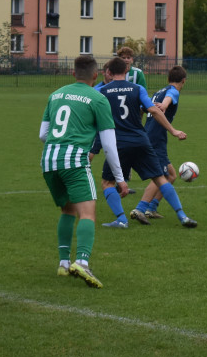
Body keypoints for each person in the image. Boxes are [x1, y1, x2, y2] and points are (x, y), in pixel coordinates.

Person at [40, 55, 129, 288]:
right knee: (88, 213)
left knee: (68, 209)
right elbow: (109, 144)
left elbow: (43, 134)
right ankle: (82, 261)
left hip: (49, 160)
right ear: (96, 75)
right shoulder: (97, 99)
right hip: (74, 160)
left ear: (73, 74)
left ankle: (63, 263)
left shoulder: (55, 94)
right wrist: (120, 179)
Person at [93, 58, 194, 229]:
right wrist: (173, 131)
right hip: (141, 140)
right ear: (127, 70)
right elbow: (154, 110)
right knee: (161, 179)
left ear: (109, 72)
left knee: (107, 183)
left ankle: (121, 220)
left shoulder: (102, 91)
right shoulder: (137, 88)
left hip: (118, 144)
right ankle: (182, 216)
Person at [131, 66, 191, 224]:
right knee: (161, 176)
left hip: (149, 134)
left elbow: (142, 108)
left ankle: (152, 207)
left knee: (171, 175)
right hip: (156, 138)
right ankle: (140, 208)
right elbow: (170, 98)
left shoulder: (158, 92)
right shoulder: (173, 91)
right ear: (183, 81)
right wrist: (164, 106)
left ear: (168, 78)